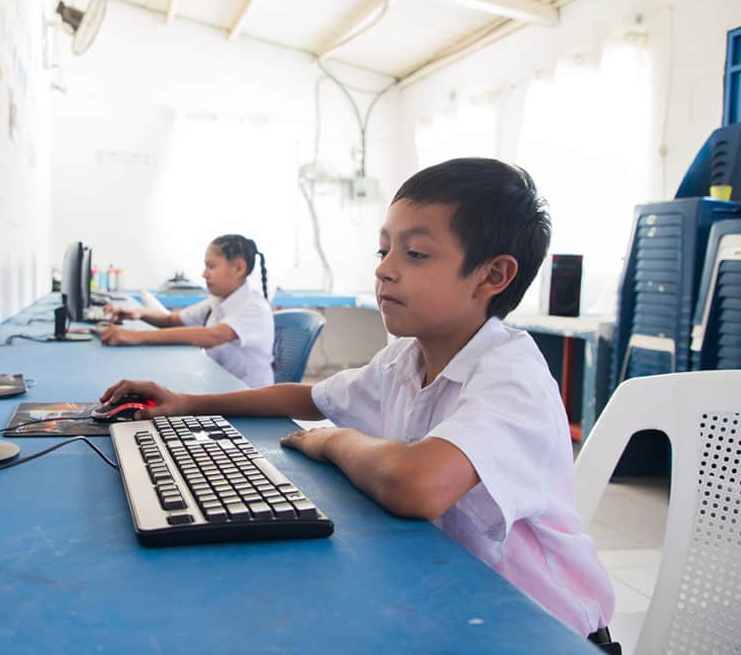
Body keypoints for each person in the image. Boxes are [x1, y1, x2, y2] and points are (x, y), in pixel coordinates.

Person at [99, 158, 616, 641]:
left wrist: (333, 442)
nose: (385, 269)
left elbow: (416, 483)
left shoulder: (511, 375)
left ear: (492, 275)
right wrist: (188, 403)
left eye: (414, 254)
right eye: (383, 250)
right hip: (447, 598)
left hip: (539, 627)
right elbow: (308, 395)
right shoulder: (406, 357)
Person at [99, 234, 275, 388]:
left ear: (239, 268)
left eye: (211, 266)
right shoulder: (219, 299)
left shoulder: (254, 307)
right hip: (221, 384)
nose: (204, 274)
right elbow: (172, 320)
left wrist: (135, 336)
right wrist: (139, 313)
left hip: (247, 394)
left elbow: (211, 336)